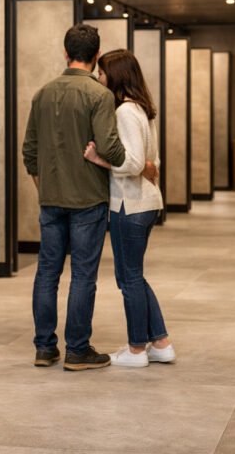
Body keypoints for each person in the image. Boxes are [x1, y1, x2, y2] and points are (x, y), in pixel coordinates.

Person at [23, 24, 128, 371]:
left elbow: (30, 152)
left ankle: (44, 347)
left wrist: (44, 188)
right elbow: (111, 149)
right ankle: (78, 350)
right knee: (83, 275)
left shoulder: (43, 93)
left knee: (47, 273)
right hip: (88, 199)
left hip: (50, 199)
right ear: (96, 55)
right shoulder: (100, 95)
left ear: (65, 53)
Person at [83, 49, 175, 368]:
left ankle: (137, 349)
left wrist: (99, 160)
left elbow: (135, 162)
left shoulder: (124, 112)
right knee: (135, 275)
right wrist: (143, 166)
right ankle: (160, 342)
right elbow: (152, 162)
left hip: (129, 205)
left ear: (116, 76)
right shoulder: (142, 110)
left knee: (128, 278)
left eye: (102, 73)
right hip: (145, 202)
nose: (98, 78)